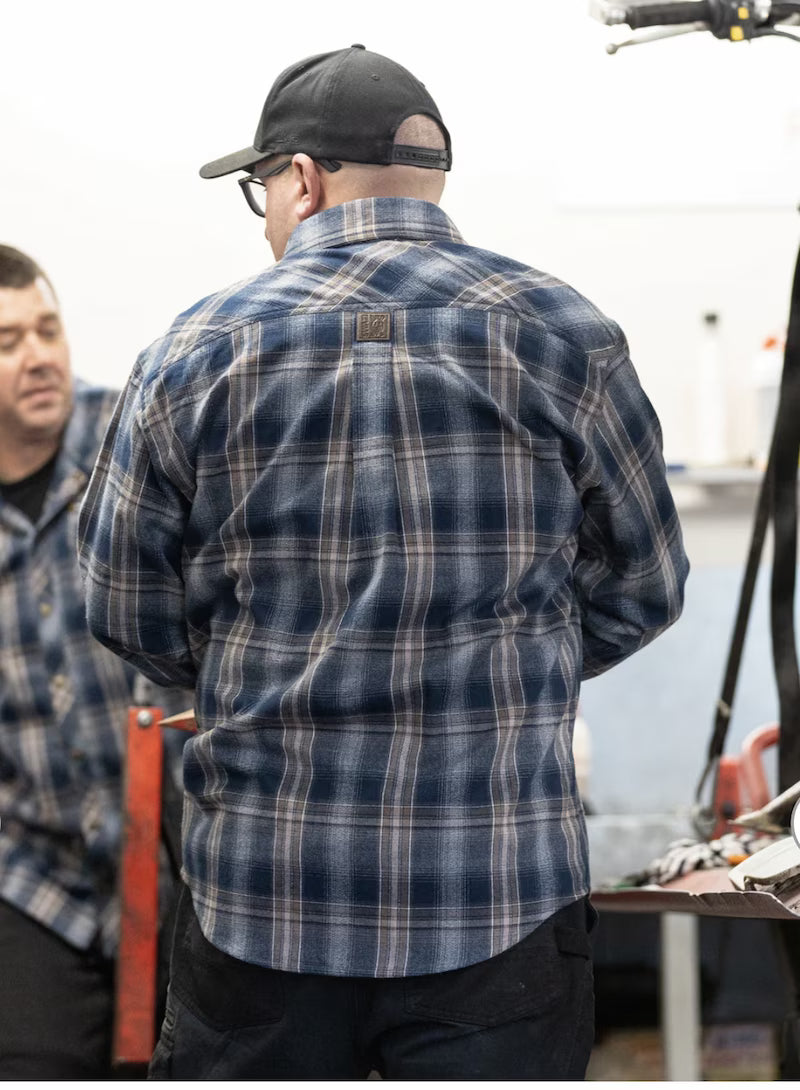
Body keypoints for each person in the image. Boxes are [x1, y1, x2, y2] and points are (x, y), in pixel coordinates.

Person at [77, 45, 689, 1080]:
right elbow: (647, 584)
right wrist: (508, 668)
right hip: (498, 898)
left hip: (262, 900)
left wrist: (253, 672)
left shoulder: (192, 351)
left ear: (300, 179)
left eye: (260, 191)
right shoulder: (565, 334)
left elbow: (123, 607)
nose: (265, 217)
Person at [0, 245, 186, 1079]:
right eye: (7, 343)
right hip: (31, 873)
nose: (39, 356)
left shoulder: (138, 441)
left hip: (182, 859)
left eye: (47, 329)